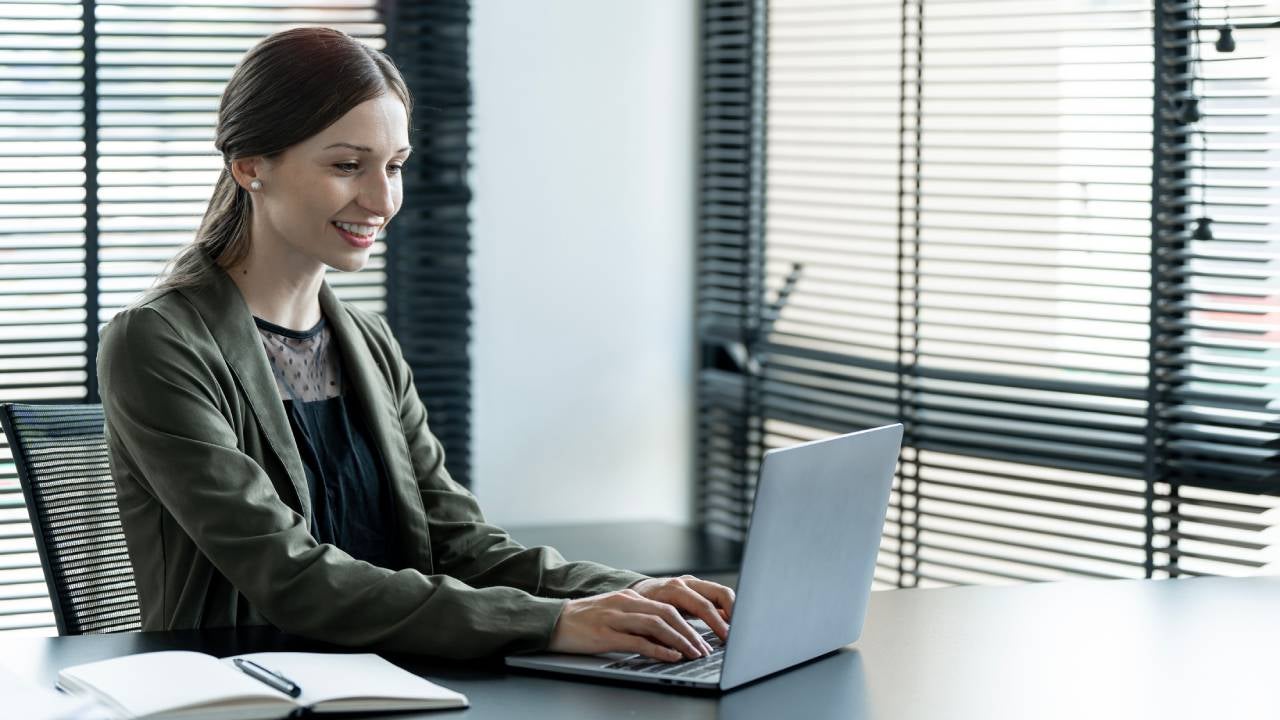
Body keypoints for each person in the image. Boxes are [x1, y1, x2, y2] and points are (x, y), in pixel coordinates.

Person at [97, 26, 733, 662]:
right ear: (250, 165)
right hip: (250, 684)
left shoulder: (367, 343)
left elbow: (459, 543)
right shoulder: (157, 342)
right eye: (347, 166)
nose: (381, 199)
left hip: (394, 673)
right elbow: (290, 577)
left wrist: (636, 594)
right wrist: (553, 622)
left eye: (394, 166)